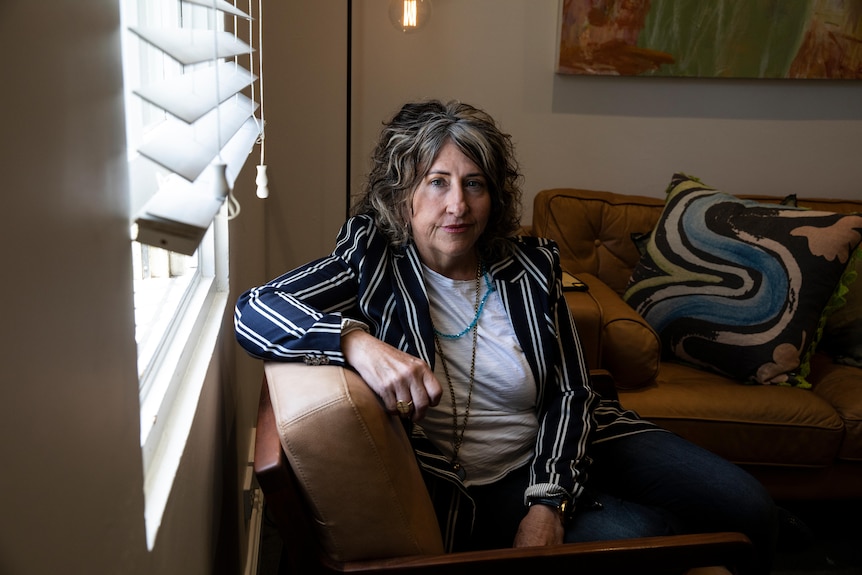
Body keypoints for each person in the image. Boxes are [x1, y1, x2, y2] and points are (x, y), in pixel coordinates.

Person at [235, 99, 778, 572]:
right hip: (484, 482)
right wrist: (358, 343)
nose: (458, 206)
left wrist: (548, 501)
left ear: (494, 196)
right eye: (438, 182)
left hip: (574, 437)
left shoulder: (529, 268)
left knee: (748, 504)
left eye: (475, 184)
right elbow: (253, 310)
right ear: (403, 194)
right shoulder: (373, 262)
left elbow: (571, 393)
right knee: (645, 534)